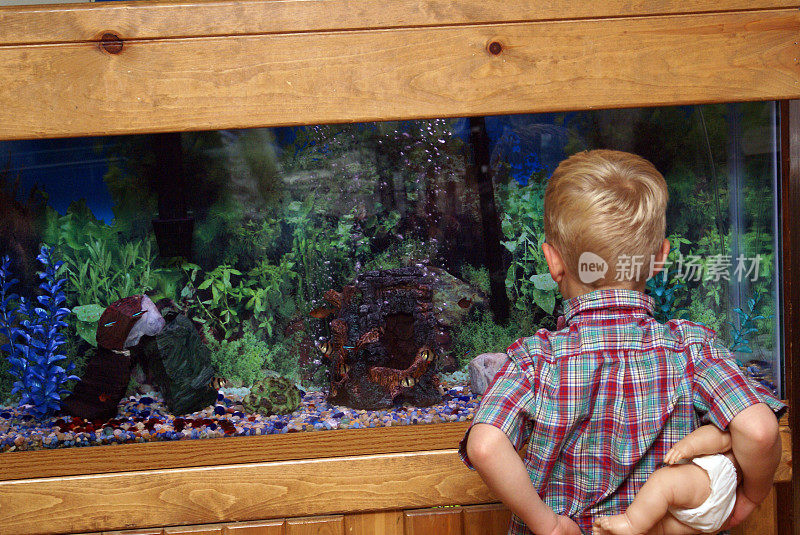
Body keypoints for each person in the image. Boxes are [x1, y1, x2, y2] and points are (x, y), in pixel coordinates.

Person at [459, 149, 785, 535]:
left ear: (553, 262)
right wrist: (751, 497)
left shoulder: (535, 361)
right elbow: (759, 431)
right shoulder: (691, 349)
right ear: (660, 257)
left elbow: (485, 446)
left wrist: (547, 525)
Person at [593, 424, 737, 535]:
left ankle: (630, 523)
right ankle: (635, 530)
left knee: (662, 483)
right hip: (718, 520)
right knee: (661, 528)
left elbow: (721, 438)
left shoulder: (736, 439)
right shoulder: (748, 460)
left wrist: (688, 446)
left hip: (715, 481)